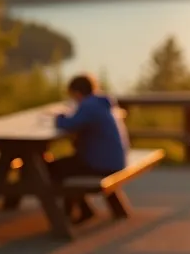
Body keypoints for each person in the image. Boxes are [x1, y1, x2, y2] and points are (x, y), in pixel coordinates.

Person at [51, 73, 131, 224]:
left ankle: (67, 216)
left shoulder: (89, 106)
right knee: (66, 165)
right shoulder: (100, 103)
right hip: (114, 159)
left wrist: (59, 117)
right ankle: (82, 210)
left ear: (77, 93)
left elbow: (68, 125)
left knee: (54, 169)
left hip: (101, 164)